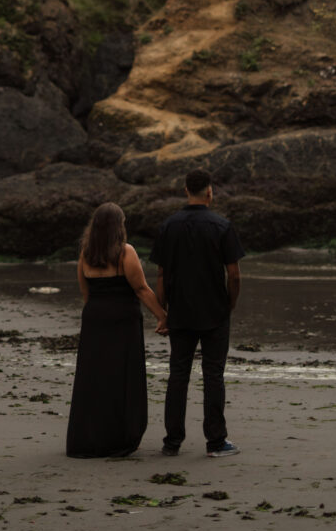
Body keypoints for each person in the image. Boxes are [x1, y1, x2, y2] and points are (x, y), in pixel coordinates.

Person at [150, 168, 245, 458]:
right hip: (214, 311)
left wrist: (162, 312)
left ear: (185, 191)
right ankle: (215, 441)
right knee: (213, 375)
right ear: (210, 192)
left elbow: (161, 274)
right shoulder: (222, 226)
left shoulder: (169, 226)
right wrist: (230, 303)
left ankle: (172, 441)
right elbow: (234, 274)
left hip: (179, 311)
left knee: (178, 374)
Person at [66, 202, 167, 458]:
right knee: (122, 378)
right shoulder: (125, 252)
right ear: (118, 227)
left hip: (95, 319)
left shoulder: (85, 253)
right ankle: (120, 437)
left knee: (94, 379)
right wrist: (163, 317)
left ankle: (89, 439)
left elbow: (85, 293)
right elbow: (141, 289)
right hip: (122, 320)